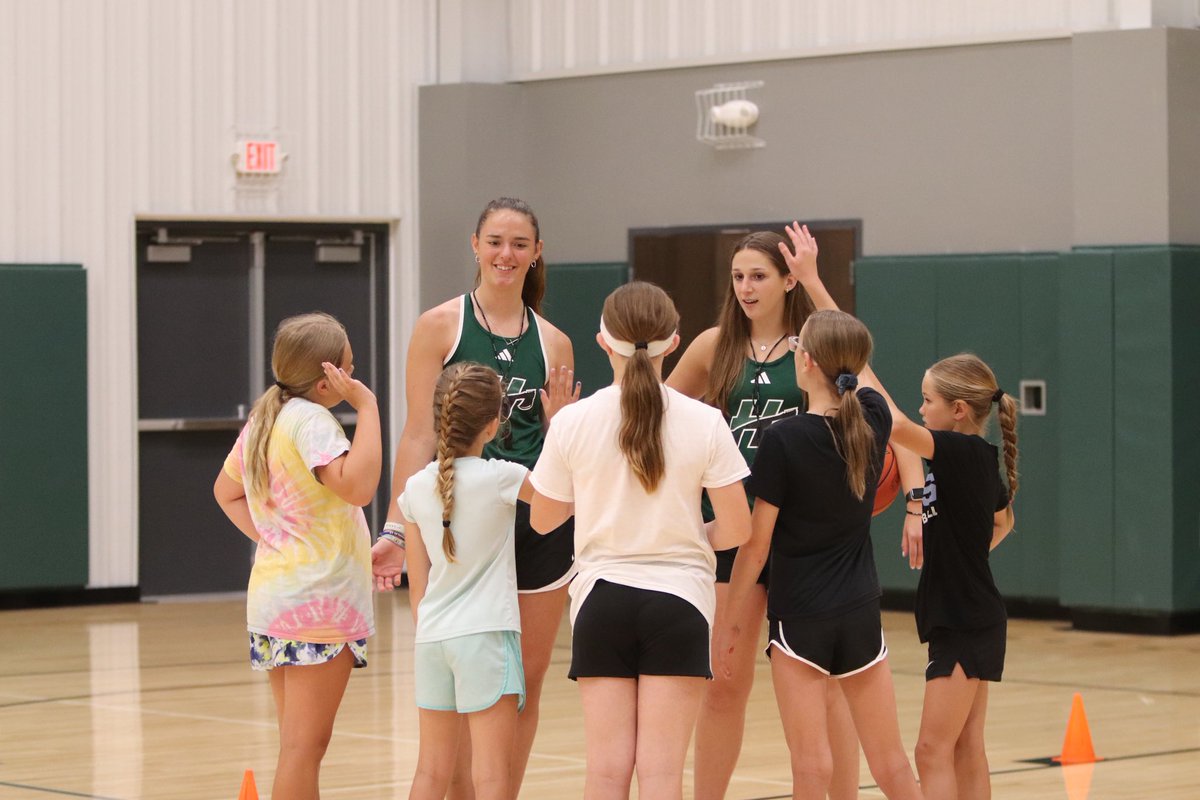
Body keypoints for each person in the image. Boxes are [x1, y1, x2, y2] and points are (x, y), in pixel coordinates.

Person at [371, 197, 578, 799]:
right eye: (495, 241)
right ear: (475, 245)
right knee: (461, 689)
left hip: (535, 519)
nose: (505, 254)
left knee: (522, 684)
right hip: (461, 519)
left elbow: (561, 443)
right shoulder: (440, 325)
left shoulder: (556, 343)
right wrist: (392, 528)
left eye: (518, 244)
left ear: (536, 252)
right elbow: (417, 432)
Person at [529, 281, 752, 800]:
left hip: (601, 601)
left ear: (603, 342)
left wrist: (591, 490)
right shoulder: (707, 421)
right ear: (674, 342)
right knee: (661, 777)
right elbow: (738, 528)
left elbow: (543, 521)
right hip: (680, 604)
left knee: (606, 773)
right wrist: (688, 535)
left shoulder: (571, 423)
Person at [667, 229, 862, 800]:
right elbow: (654, 410)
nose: (746, 288)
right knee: (723, 680)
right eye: (738, 276)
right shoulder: (713, 346)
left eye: (759, 276)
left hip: (801, 534)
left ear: (786, 280)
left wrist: (815, 278)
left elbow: (860, 363)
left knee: (823, 685)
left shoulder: (813, 344)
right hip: (733, 528)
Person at [716, 309, 922, 800]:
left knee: (811, 768)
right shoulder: (873, 418)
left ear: (805, 362)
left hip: (801, 618)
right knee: (892, 763)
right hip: (859, 612)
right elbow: (871, 383)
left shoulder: (782, 439)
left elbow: (757, 544)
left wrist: (730, 620)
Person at [213, 312, 381, 800]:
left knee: (296, 746)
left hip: (276, 601)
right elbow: (360, 486)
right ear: (329, 378)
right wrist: (367, 406)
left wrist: (277, 537)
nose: (355, 374)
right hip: (318, 607)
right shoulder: (313, 423)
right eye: (350, 367)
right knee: (303, 750)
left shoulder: (266, 419)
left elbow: (226, 493)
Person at [865, 353, 1018, 800]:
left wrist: (852, 359)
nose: (921, 409)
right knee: (966, 747)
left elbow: (892, 422)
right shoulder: (974, 458)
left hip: (963, 620)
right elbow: (1003, 522)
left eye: (927, 400)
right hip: (973, 613)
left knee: (932, 750)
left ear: (958, 410)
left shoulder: (961, 451)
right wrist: (964, 553)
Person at [399, 362, 535, 800]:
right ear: (494, 424)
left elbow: (417, 594)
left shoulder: (415, 488)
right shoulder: (504, 478)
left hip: (433, 639)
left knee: (429, 773)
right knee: (492, 777)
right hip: (486, 638)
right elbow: (563, 502)